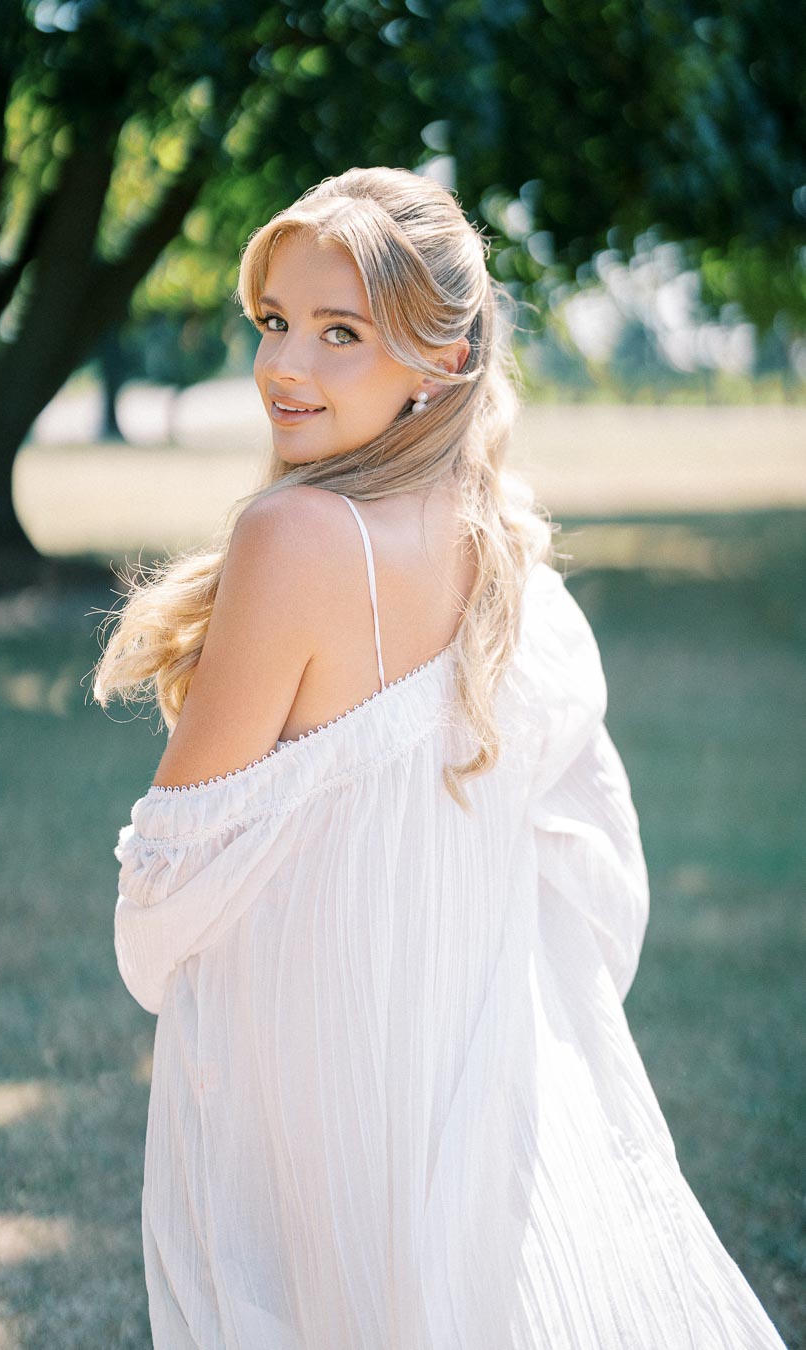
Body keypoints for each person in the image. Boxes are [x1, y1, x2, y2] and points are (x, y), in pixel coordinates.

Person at [93, 167, 787, 1349]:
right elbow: (594, 864)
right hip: (461, 1083)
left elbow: (161, 898)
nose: (284, 367)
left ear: (445, 358)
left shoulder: (295, 534)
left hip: (319, 1083)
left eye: (341, 332)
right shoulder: (503, 543)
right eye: (274, 321)